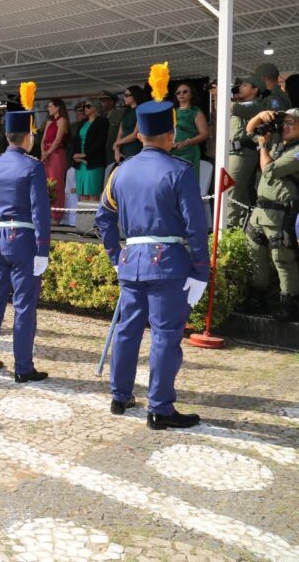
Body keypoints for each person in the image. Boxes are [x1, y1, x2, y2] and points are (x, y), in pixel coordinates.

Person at [96, 63, 208, 429]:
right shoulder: (179, 171)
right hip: (168, 263)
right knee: (164, 336)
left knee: (128, 329)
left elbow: (103, 219)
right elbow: (196, 225)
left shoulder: (119, 172)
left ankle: (120, 395)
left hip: (132, 260)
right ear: (170, 133)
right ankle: (160, 407)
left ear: (141, 134)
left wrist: (116, 255)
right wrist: (201, 270)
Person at [0, 102, 50, 382]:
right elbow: (40, 211)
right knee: (24, 306)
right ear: (27, 136)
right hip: (24, 240)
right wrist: (43, 249)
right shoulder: (33, 166)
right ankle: (23, 367)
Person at [238, 107, 299, 320]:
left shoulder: (296, 151)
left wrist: (263, 146)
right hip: (260, 212)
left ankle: (289, 305)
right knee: (256, 256)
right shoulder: (278, 143)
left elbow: (270, 170)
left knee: (282, 259)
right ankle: (257, 299)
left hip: (280, 215)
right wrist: (260, 116)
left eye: (292, 122)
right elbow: (249, 131)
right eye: (285, 122)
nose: (286, 126)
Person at [226, 77, 264, 228]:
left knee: (232, 191)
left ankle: (230, 228)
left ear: (255, 89)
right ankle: (243, 228)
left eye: (245, 85)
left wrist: (222, 93)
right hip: (233, 152)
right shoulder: (239, 104)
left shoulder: (257, 105)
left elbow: (232, 108)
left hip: (243, 152)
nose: (240, 87)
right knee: (240, 194)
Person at [40, 99, 69, 224]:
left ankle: (56, 215)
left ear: (58, 107)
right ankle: (46, 213)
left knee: (55, 184)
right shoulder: (48, 122)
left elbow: (58, 140)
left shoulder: (62, 121)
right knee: (45, 184)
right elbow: (42, 140)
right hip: (46, 154)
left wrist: (48, 152)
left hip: (56, 154)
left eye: (50, 106)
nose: (48, 108)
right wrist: (43, 153)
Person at [172, 82, 209, 181]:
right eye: (178, 93)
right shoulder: (172, 111)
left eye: (185, 92)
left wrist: (186, 142)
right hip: (172, 151)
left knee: (187, 181)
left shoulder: (196, 111)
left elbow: (204, 134)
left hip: (189, 151)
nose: (181, 94)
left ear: (191, 94)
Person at [74, 101, 108, 200]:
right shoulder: (82, 122)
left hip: (94, 161)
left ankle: (93, 216)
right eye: (84, 106)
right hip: (80, 163)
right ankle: (84, 216)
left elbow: (100, 141)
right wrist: (75, 155)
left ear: (96, 108)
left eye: (88, 106)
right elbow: (76, 140)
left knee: (93, 193)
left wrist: (85, 155)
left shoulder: (102, 121)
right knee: (82, 193)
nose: (85, 108)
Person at [113, 86, 145, 164]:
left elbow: (135, 135)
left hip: (134, 148)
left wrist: (117, 143)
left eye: (127, 95)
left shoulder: (141, 111)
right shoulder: (126, 112)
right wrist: (117, 150)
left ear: (135, 96)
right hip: (123, 150)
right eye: (124, 95)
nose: (124, 98)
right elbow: (120, 133)